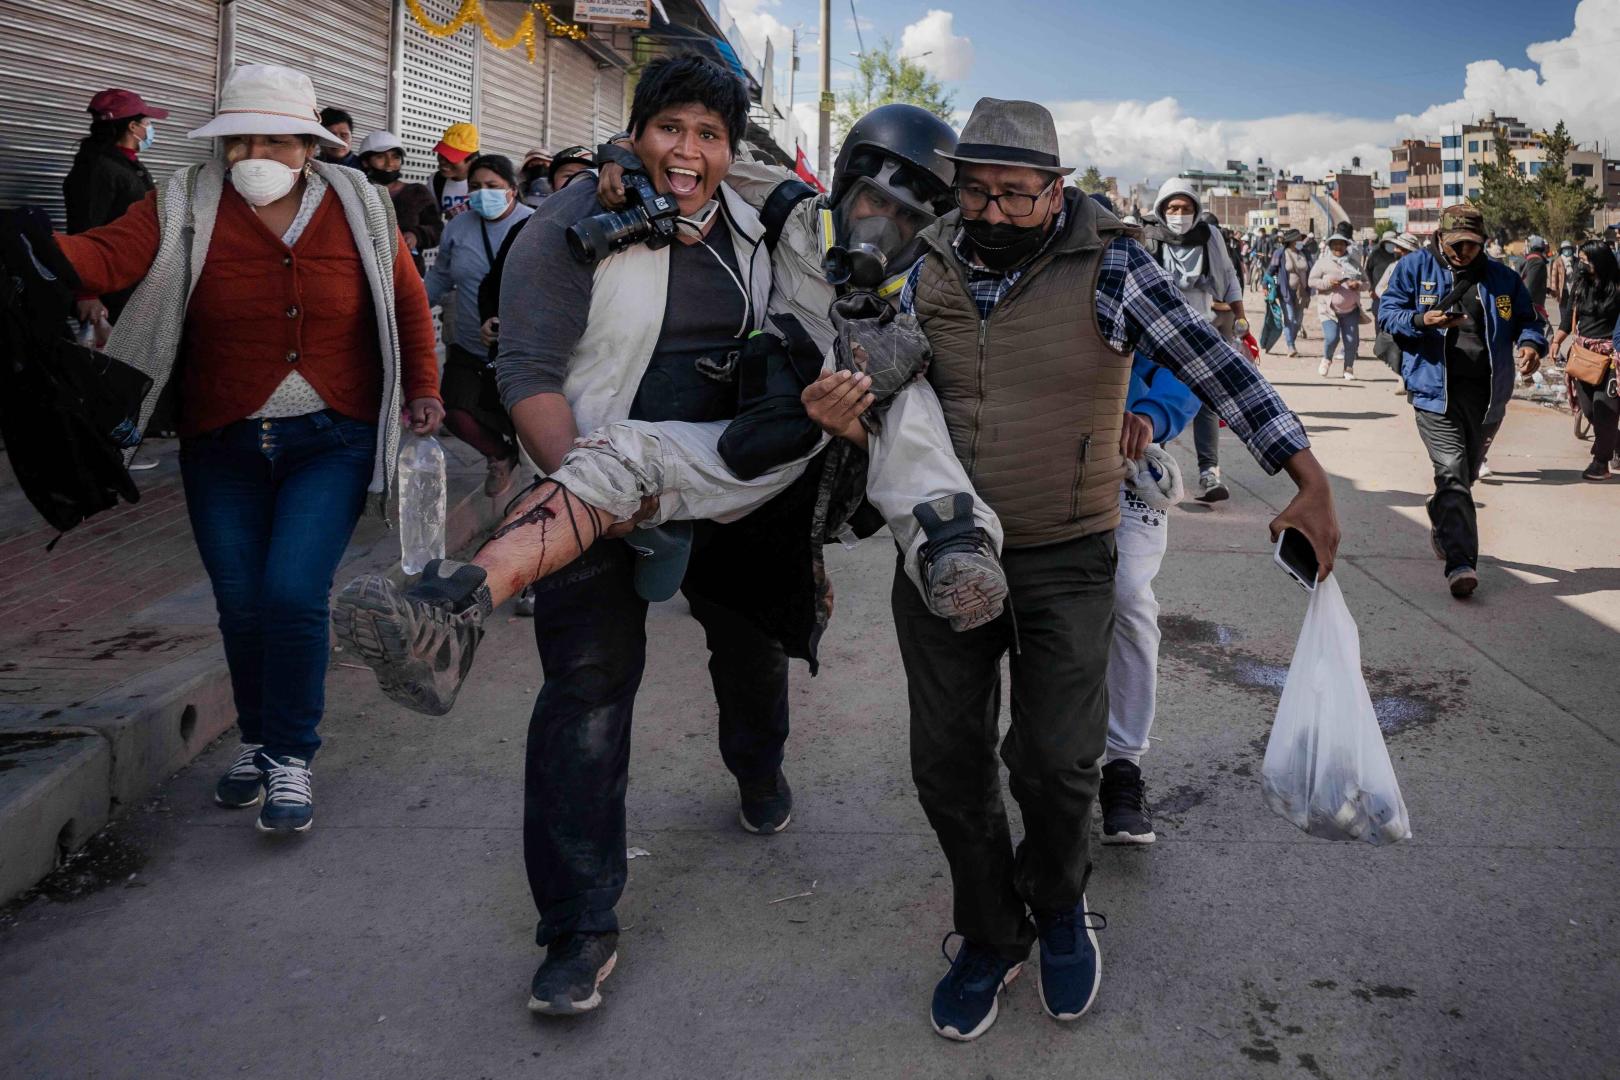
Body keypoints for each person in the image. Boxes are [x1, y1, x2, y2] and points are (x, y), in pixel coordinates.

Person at [803, 97, 1339, 1042]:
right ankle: (989, 929)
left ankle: (1057, 906)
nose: (995, 214)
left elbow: (1217, 364)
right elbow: (879, 371)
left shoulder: (1115, 263)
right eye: (976, 193)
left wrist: (1307, 475)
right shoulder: (922, 258)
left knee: (1056, 764)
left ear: (1057, 190)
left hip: (1069, 552)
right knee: (948, 764)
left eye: (1016, 195)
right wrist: (848, 403)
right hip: (943, 553)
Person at [47, 64, 443, 834]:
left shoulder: (360, 203)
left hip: (330, 437)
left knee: (292, 595)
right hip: (220, 436)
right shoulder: (184, 197)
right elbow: (104, 257)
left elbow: (406, 300)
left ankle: (292, 755)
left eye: (273, 138)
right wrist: (29, 247)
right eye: (238, 139)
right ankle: (258, 742)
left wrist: (422, 385)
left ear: (308, 144)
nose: (254, 152)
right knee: (241, 604)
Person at [1378, 204, 1545, 598]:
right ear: (1440, 237)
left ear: (1483, 242)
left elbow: (1529, 319)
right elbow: (1388, 314)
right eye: (1457, 244)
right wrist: (1422, 321)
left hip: (1488, 396)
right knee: (1452, 471)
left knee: (1463, 478)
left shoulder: (1503, 278)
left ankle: (1442, 513)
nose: (1464, 252)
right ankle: (1461, 564)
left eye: (1472, 245)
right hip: (1433, 391)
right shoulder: (1414, 268)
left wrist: (1531, 344)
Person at [1099, 355, 1202, 844]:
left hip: (1125, 469)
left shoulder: (1129, 280)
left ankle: (1122, 768)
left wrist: (1148, 416)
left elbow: (1190, 364)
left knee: (1130, 602)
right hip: (1030, 467)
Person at [425, 154, 531, 496]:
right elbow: (439, 276)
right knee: (454, 411)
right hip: (470, 342)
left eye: (492, 187)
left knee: (523, 418)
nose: (482, 193)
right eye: (475, 187)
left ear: (512, 190)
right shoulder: (457, 227)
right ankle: (500, 456)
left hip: (522, 347)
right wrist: (405, 311)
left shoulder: (536, 225)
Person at [1141, 179, 1247, 502]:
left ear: (1196, 210)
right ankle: (1155, 470)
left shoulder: (1208, 235)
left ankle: (1209, 473)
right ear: (1161, 209)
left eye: (1186, 208)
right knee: (1158, 402)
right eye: (1173, 208)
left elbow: (1229, 280)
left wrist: (1241, 317)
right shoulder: (1147, 236)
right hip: (1155, 334)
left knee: (1205, 401)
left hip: (1199, 330)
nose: (1179, 214)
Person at [64, 89, 169, 330]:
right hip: (112, 287)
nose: (151, 129)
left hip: (132, 280)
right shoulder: (95, 168)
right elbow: (84, 228)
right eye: (148, 123)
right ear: (133, 127)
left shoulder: (127, 164)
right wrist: (86, 294)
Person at [1550, 240, 1620, 480]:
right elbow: (1570, 315)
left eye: (1586, 261)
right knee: (1589, 411)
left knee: (1606, 412)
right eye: (1580, 260)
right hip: (1582, 358)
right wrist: (1557, 341)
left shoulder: (1618, 288)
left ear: (1600, 262)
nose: (1581, 265)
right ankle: (1614, 444)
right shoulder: (1579, 285)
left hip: (1611, 360)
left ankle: (1600, 463)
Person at [356, 129, 442, 276]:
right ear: (365, 162)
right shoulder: (356, 193)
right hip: (364, 274)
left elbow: (437, 229)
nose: (390, 163)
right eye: (380, 157)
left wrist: (416, 235)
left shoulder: (417, 193)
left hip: (408, 274)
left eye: (395, 157)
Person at [1309, 233, 1369, 379]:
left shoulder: (1354, 263)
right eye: (1335, 244)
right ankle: (1327, 359)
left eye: (1341, 244)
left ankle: (1348, 368)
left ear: (1346, 246)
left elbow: (1367, 283)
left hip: (1351, 309)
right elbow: (1311, 281)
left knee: (1351, 340)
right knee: (1332, 337)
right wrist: (1328, 283)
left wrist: (1358, 285)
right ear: (1330, 246)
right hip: (1328, 309)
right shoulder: (1323, 262)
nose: (1338, 247)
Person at [1372, 232, 1422, 381]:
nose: (1397, 251)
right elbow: (1379, 288)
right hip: (1397, 313)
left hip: (1416, 313)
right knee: (1392, 344)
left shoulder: (1422, 268)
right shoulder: (1392, 267)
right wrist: (1391, 299)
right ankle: (1402, 375)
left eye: (1402, 249)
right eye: (1398, 248)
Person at [1268, 228, 1308, 357]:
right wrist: (1269, 285)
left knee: (1297, 320)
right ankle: (1290, 345)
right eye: (1298, 239)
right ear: (1291, 241)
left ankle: (1292, 341)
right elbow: (1271, 271)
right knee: (1289, 317)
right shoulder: (1280, 253)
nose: (1300, 241)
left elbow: (1312, 269)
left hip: (1301, 293)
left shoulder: (1304, 253)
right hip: (1285, 291)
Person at [432, 122, 479, 218]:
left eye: (451, 157)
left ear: (472, 160)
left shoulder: (486, 184)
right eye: (442, 154)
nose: (443, 161)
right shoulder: (436, 180)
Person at [1365, 230, 1400, 304]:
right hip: (1378, 293)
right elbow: (1368, 271)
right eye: (1387, 242)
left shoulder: (1400, 254)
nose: (1390, 244)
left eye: (1392, 242)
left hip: (1395, 295)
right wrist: (1371, 289)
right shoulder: (1376, 253)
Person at [1549, 239, 1576, 321]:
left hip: (1574, 289)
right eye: (1565, 249)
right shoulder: (1557, 261)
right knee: (1563, 307)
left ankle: (1572, 324)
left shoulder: (1576, 260)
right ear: (1562, 250)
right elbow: (1554, 276)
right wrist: (1554, 290)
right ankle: (1564, 323)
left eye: (1569, 248)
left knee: (1573, 307)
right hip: (1562, 289)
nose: (1567, 251)